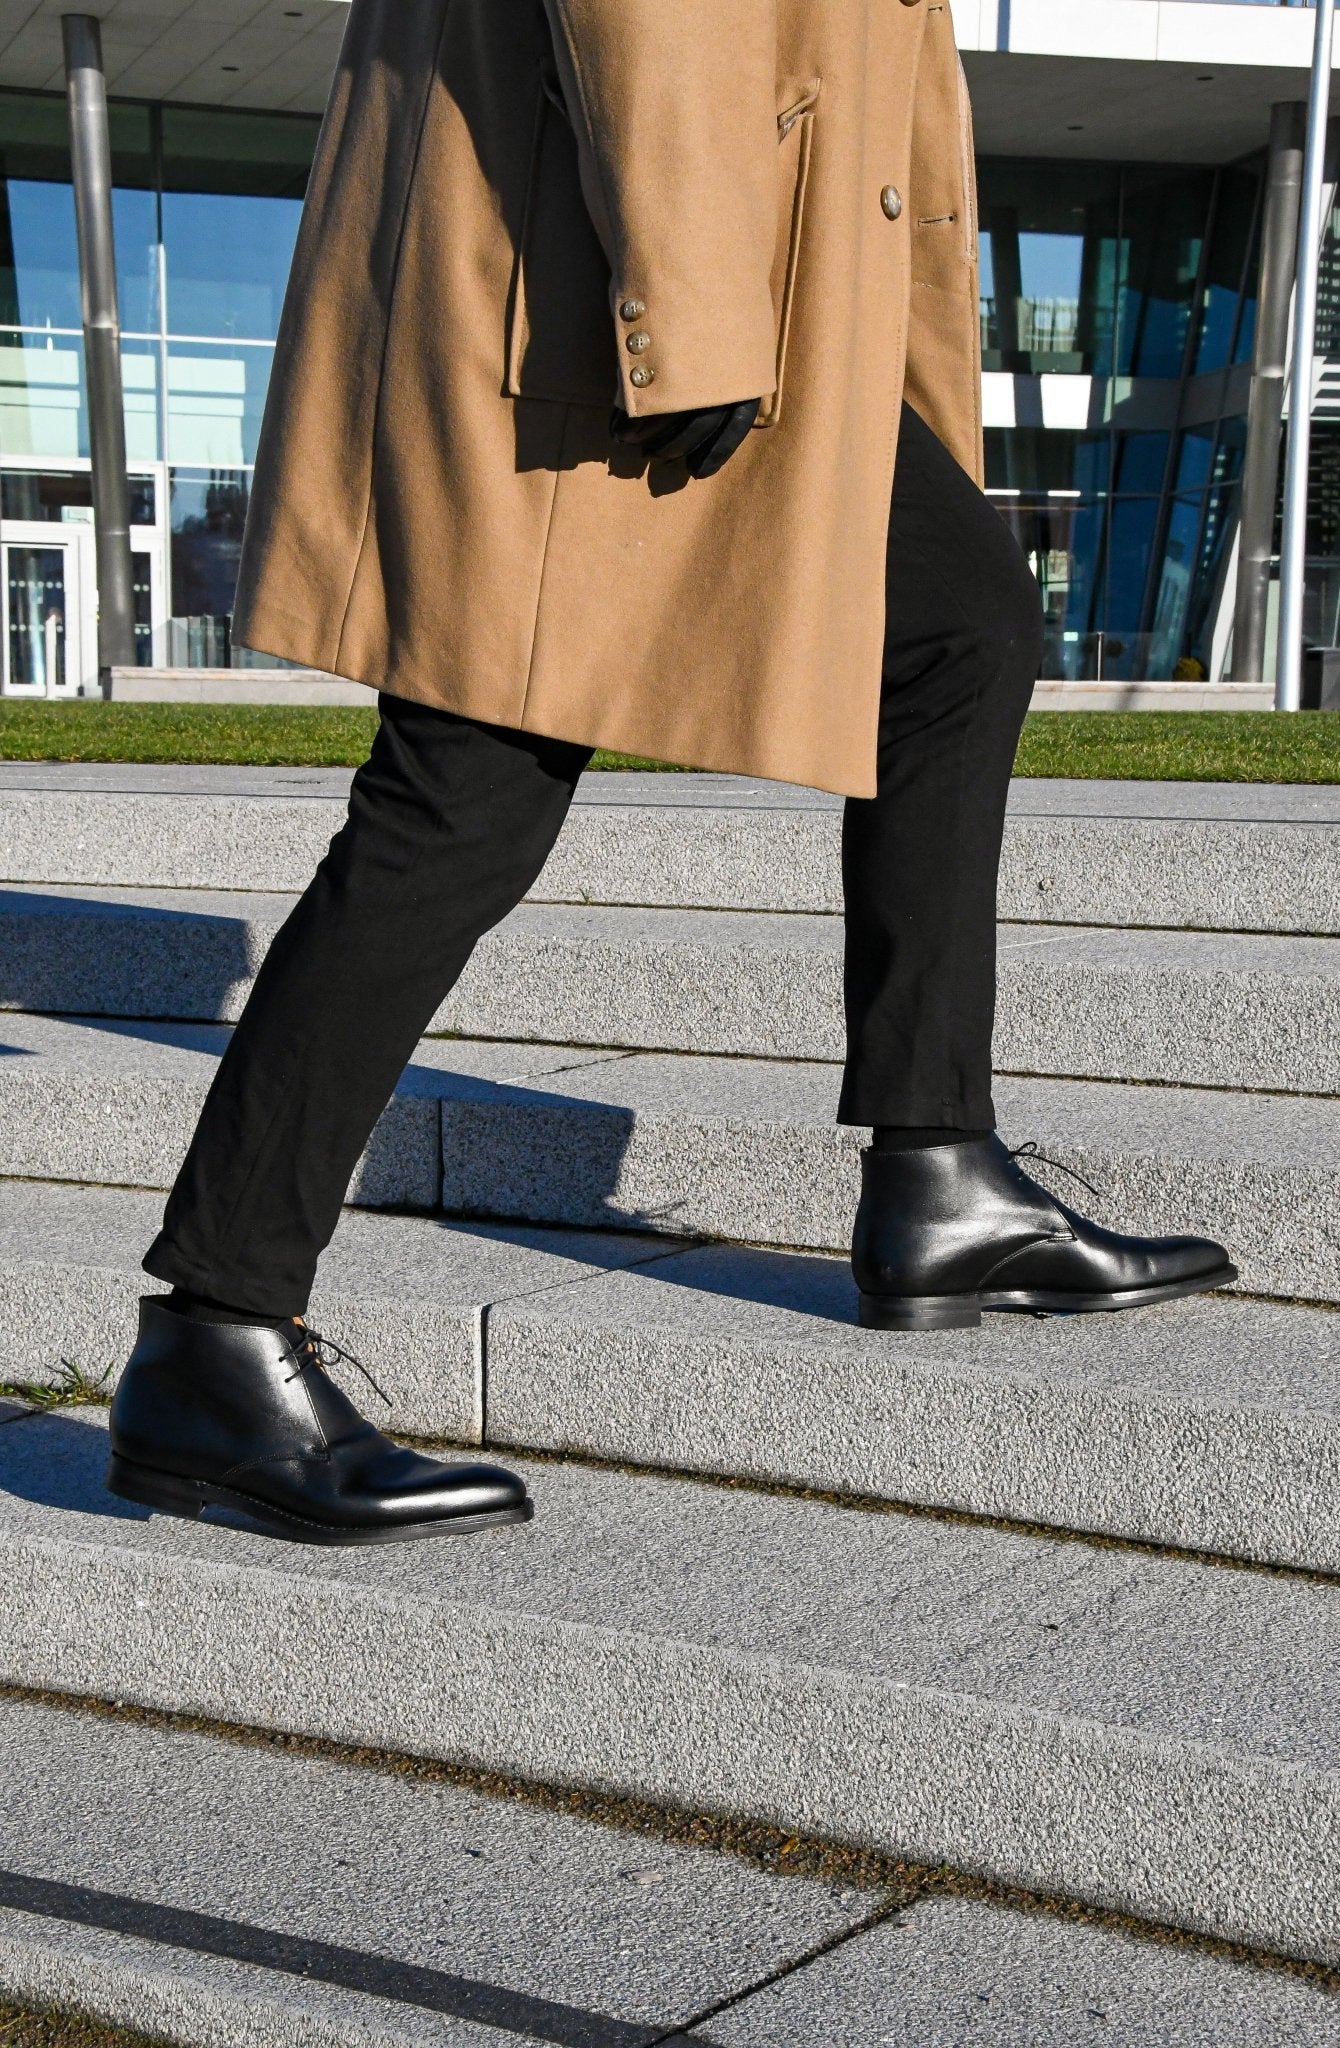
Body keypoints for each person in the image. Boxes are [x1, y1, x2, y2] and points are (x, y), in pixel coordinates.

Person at [107, 0, 1236, 1547]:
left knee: (959, 623)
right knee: (466, 790)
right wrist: (692, 297)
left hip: (670, 262)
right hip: (607, 271)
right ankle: (215, 1336)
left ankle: (941, 1171)